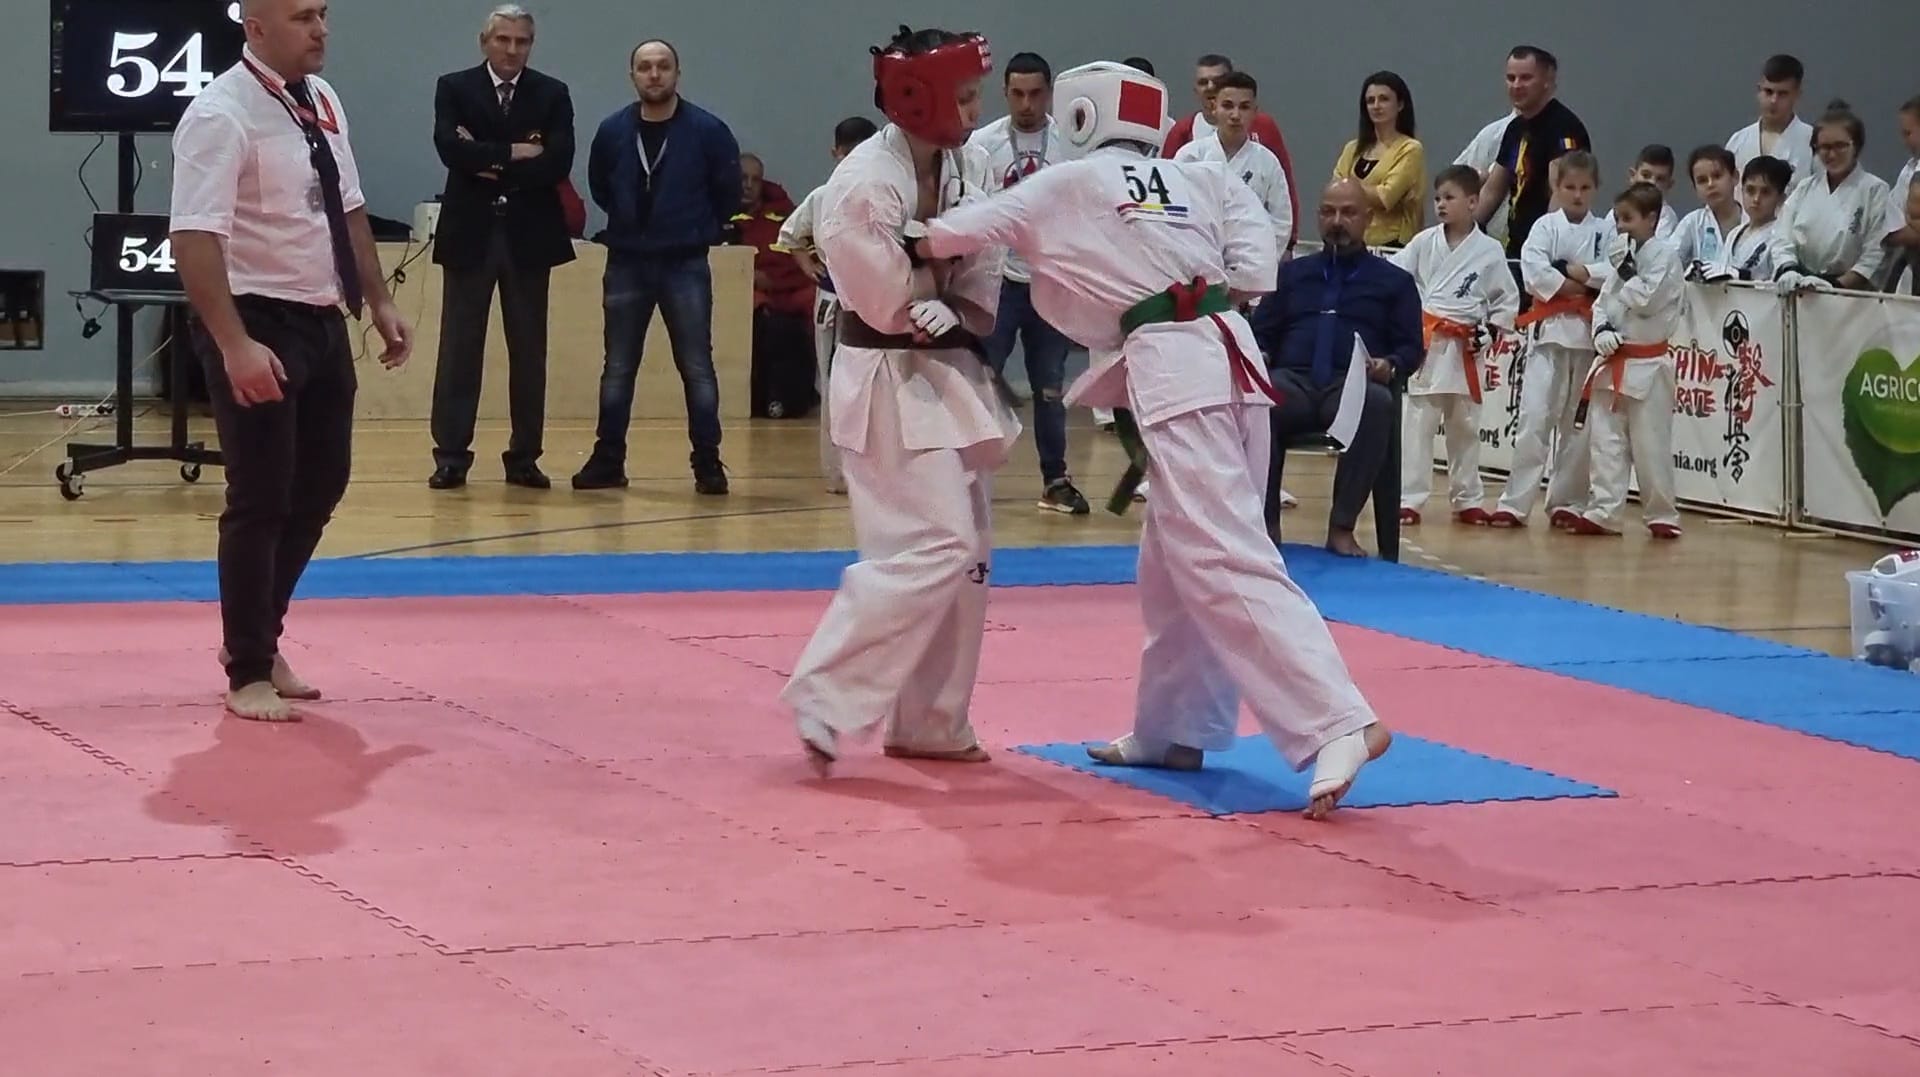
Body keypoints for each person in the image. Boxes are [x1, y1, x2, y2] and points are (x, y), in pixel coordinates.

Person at [913, 61, 1392, 819]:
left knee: (1224, 552)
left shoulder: (1071, 181)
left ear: (1080, 119)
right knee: (1170, 561)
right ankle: (1175, 729)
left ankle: (1340, 720)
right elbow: (1257, 266)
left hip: (1178, 370)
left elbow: (963, 231)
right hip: (1234, 358)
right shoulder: (1200, 176)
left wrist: (914, 227)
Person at [784, 26, 1019, 774]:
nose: (977, 110)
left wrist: (950, 287)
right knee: (935, 544)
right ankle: (826, 693)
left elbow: (989, 253)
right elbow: (888, 304)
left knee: (968, 556)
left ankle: (932, 721)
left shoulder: (968, 161)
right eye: (966, 96)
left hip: (950, 371)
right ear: (921, 99)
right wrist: (934, 267)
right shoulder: (860, 185)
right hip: (883, 373)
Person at [169, 0, 412, 721]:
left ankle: (258, 634)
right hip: (255, 315)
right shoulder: (220, 114)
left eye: (323, 14)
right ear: (256, 28)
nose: (321, 29)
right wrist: (233, 343)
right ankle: (248, 669)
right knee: (261, 495)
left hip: (321, 314)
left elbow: (349, 208)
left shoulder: (322, 99)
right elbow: (193, 237)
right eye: (303, 17)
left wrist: (379, 300)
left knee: (321, 484)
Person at [579, 39, 742, 494]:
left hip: (684, 261)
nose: (654, 74)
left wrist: (696, 228)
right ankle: (608, 459)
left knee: (697, 365)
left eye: (663, 66)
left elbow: (728, 191)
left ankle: (707, 462)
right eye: (645, 67)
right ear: (632, 75)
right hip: (626, 260)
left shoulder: (708, 131)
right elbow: (600, 186)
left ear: (677, 73)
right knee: (617, 367)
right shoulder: (613, 131)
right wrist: (631, 221)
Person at [426, 3, 575, 491]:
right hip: (470, 234)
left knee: (529, 353)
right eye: (503, 40)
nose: (512, 50)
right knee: (459, 351)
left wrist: (486, 160)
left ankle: (525, 457)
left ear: (531, 45)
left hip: (529, 236)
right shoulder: (455, 87)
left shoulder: (552, 93)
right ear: (485, 42)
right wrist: (514, 152)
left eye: (521, 41)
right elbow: (450, 148)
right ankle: (451, 456)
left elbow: (557, 161)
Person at [1250, 180, 1424, 558]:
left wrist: (1390, 365)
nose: (1337, 221)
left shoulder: (1394, 282)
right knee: (1258, 401)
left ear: (1368, 218)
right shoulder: (1290, 275)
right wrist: (1259, 352)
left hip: (1351, 385)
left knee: (1377, 403)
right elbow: (1260, 331)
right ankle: (1264, 525)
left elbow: (1411, 348)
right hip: (1292, 381)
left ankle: (1341, 526)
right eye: (1328, 212)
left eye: (1348, 213)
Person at [967, 51, 1090, 514]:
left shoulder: (1071, 146)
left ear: (1050, 94)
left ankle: (1055, 479)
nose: (1026, 104)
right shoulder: (982, 146)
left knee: (1050, 387)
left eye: (1035, 94)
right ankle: (970, 476)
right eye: (1017, 94)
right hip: (998, 280)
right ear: (1004, 93)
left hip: (1049, 280)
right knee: (980, 381)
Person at [1488, 151, 1610, 530]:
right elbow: (1534, 273)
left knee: (1577, 426)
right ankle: (1515, 503)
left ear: (1595, 188)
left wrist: (1578, 273)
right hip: (1548, 335)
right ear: (1557, 186)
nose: (1577, 194)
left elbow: (1615, 272)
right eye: (1570, 187)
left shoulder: (1606, 230)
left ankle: (1567, 502)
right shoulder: (1544, 227)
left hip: (1587, 338)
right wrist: (1581, 285)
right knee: (1534, 418)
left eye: (1585, 187)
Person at [1393, 166, 1519, 526]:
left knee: (1465, 427)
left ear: (1473, 201)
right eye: (1437, 198)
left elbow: (1506, 299)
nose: (1441, 205)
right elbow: (1396, 278)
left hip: (1466, 347)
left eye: (1449, 197)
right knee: (1418, 426)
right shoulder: (1423, 242)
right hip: (1429, 344)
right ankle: (1409, 498)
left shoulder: (1489, 250)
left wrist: (1490, 331)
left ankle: (1467, 499)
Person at [1568, 183, 1685, 539]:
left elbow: (1646, 301)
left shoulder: (1665, 258)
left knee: (1650, 446)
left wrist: (1627, 270)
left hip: (1648, 365)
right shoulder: (1623, 258)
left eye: (1628, 218)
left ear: (1652, 219)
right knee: (1606, 443)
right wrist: (1601, 329)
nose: (1621, 226)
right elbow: (1602, 302)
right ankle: (1604, 511)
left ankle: (1662, 514)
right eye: (1618, 218)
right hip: (1612, 361)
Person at [779, 116, 880, 494]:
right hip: (833, 298)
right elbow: (790, 235)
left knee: (874, 385)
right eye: (847, 154)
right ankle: (837, 472)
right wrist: (808, 265)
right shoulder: (822, 196)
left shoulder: (885, 194)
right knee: (833, 383)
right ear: (834, 154)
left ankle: (874, 472)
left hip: (874, 297)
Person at [1476, 46, 1592, 261]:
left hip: (1550, 253)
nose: (1516, 85)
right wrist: (1467, 232)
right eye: (1511, 78)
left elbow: (1560, 193)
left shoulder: (1564, 128)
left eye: (1526, 78)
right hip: (1515, 250)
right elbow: (1492, 191)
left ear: (1548, 81)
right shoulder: (1515, 129)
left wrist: (1543, 248)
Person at [1770, 100, 1894, 294]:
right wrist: (1788, 268)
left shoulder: (1875, 190)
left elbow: (1875, 254)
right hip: (1800, 287)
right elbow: (1782, 235)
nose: (1832, 154)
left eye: (1840, 146)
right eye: (1825, 147)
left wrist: (1836, 286)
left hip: (1849, 295)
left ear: (1856, 146)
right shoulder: (1805, 187)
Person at [1174, 72, 1294, 253]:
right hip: (1198, 255)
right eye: (1227, 106)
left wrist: (1262, 260)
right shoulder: (1190, 156)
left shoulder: (1267, 162)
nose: (1235, 115)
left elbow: (1281, 221)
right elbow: (1174, 211)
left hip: (1251, 258)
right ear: (1214, 107)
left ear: (1255, 112)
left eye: (1244, 107)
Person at [1331, 71, 1426, 248]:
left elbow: (1386, 197)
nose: (1376, 106)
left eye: (1384, 99)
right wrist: (1356, 191)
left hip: (1392, 245)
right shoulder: (1352, 148)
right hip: (1351, 241)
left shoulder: (1410, 149)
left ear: (1400, 104)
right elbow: (1334, 193)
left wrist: (1348, 187)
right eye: (1370, 101)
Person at [1725, 55, 1815, 181]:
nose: (1773, 100)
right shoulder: (1738, 142)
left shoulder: (1812, 142)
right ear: (1759, 90)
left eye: (1782, 94)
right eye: (1768, 92)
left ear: (1797, 95)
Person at [1716, 155, 1792, 281]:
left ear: (1780, 198)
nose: (1756, 199)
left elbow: (1777, 281)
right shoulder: (1734, 234)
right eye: (1750, 190)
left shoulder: (1781, 236)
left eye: (1766, 192)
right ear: (1742, 191)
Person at [1672, 145, 1745, 273]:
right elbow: (1669, 262)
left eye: (1717, 176)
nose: (1710, 184)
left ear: (1735, 177)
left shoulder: (1752, 220)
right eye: (1702, 180)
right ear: (1695, 188)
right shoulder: (1693, 222)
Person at [1601, 145, 1678, 238]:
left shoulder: (1667, 218)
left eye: (1660, 179)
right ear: (1632, 176)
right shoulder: (1617, 210)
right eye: (1646, 175)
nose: (1652, 183)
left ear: (1669, 185)